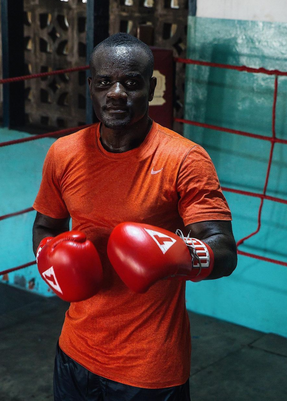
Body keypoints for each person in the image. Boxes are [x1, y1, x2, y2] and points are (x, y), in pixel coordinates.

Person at [32, 32, 237, 401]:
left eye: (131, 82)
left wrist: (179, 254)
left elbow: (224, 250)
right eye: (105, 82)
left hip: (149, 366)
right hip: (74, 352)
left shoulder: (185, 159)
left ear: (151, 87)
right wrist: (50, 259)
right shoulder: (63, 154)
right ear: (90, 86)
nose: (116, 94)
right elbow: (46, 225)